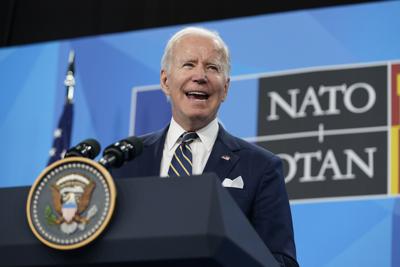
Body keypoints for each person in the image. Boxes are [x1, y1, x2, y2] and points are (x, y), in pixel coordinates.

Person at [113, 26, 299, 267]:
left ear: (226, 88)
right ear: (165, 80)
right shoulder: (126, 160)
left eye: (212, 68)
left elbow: (281, 261)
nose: (200, 76)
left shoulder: (261, 167)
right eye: (189, 64)